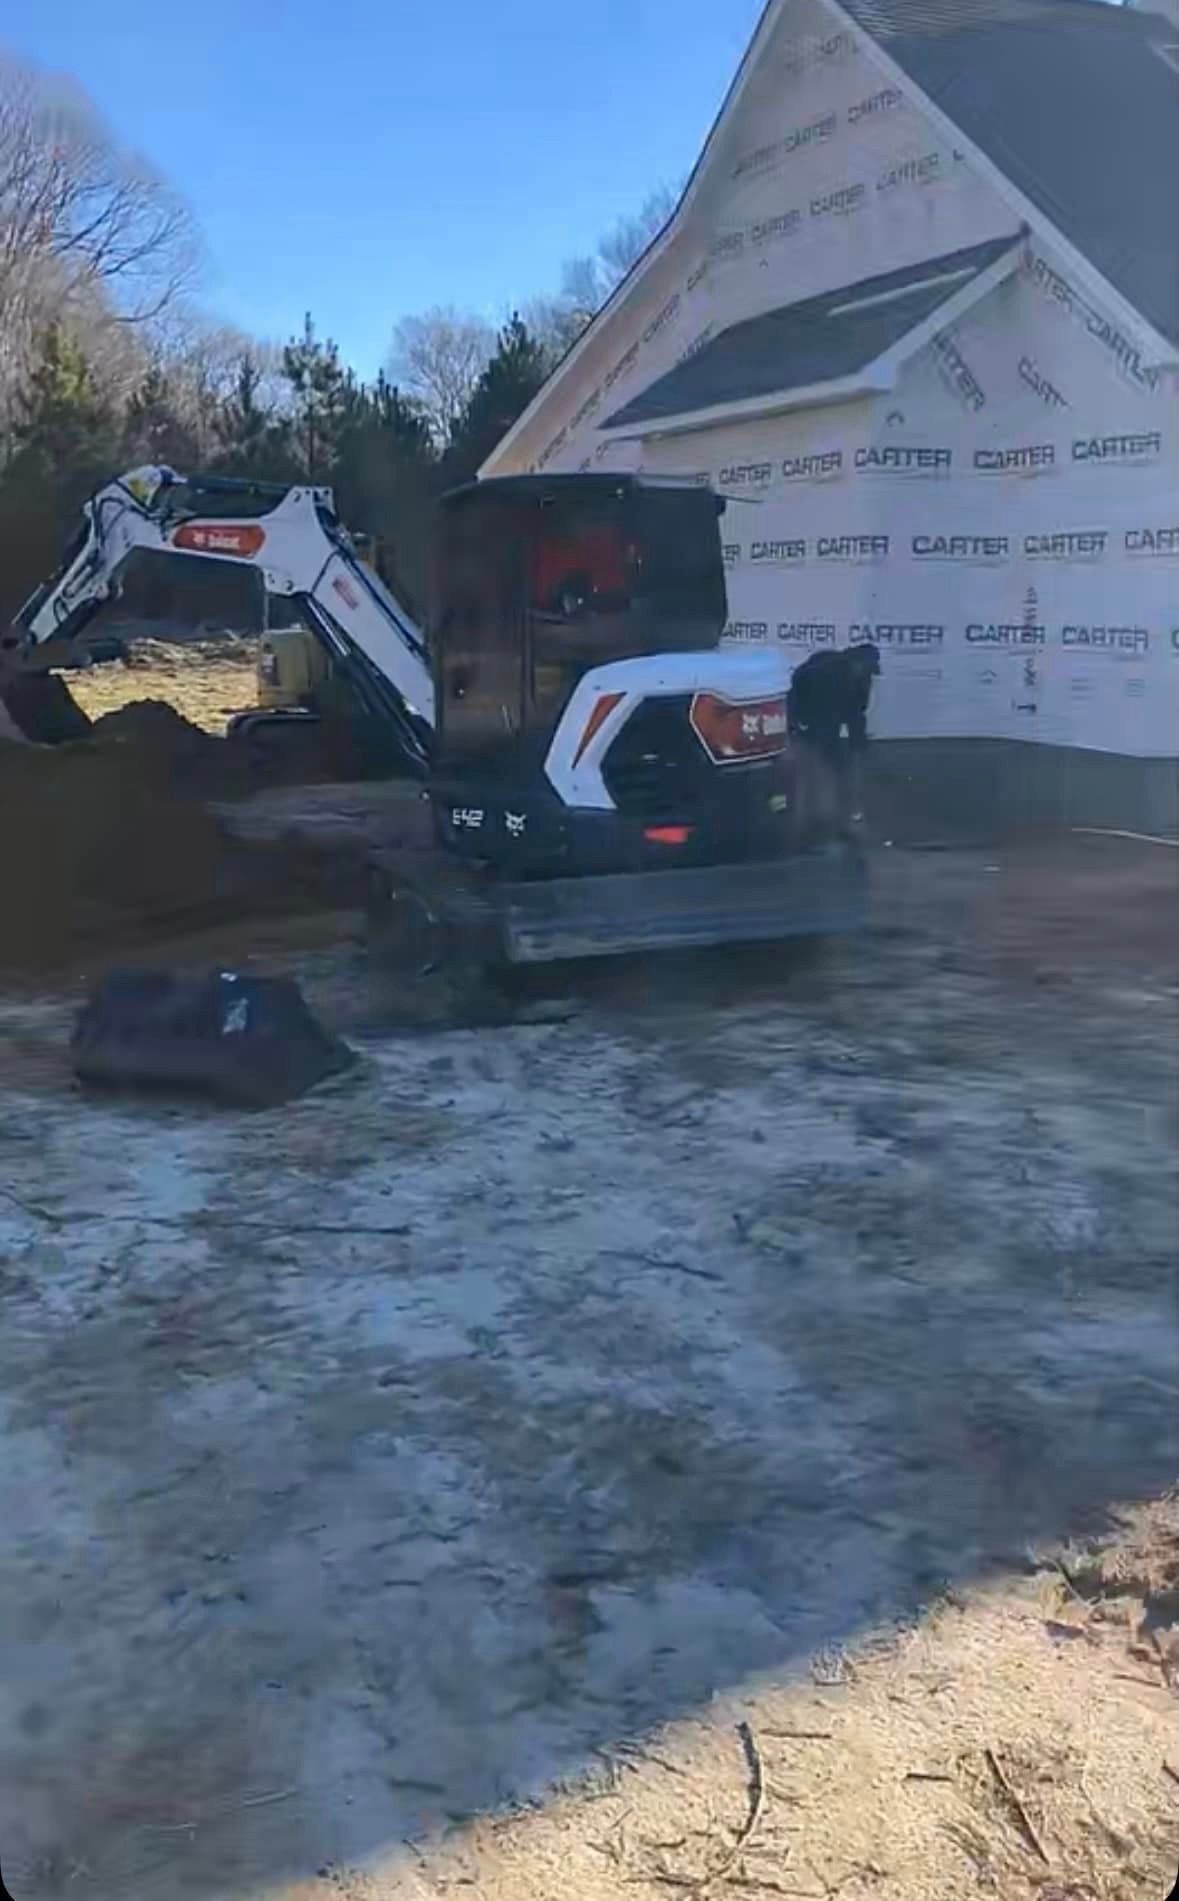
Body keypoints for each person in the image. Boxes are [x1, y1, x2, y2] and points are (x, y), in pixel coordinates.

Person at [786, 641, 881, 842]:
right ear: (854, 662)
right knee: (814, 767)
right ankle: (807, 828)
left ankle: (839, 821)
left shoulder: (861, 678)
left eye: (869, 672)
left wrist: (858, 746)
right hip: (804, 712)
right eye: (865, 670)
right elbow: (823, 721)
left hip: (821, 715)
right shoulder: (828, 673)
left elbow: (856, 713)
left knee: (834, 765)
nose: (867, 675)